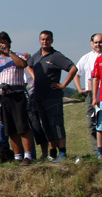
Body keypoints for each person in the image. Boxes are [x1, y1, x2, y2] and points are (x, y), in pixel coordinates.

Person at [0, 31, 35, 165]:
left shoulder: (17, 55)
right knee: (11, 128)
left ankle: (28, 155)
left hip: (17, 94)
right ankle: (17, 155)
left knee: (22, 126)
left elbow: (23, 64)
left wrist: (9, 52)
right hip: (4, 96)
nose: (1, 45)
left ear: (9, 43)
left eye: (3, 42)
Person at [27, 30, 77, 161]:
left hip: (53, 97)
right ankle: (52, 152)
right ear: (39, 40)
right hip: (39, 96)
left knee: (57, 124)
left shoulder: (56, 56)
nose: (45, 41)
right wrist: (34, 76)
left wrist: (63, 84)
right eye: (43, 39)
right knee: (46, 125)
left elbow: (73, 68)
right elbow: (28, 66)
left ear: (52, 41)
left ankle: (62, 153)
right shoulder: (36, 56)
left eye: (47, 39)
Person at [75, 34, 102, 151]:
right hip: (91, 93)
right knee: (91, 123)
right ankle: (96, 150)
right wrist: (79, 89)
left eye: (101, 42)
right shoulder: (86, 58)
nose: (98, 44)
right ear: (91, 43)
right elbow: (76, 74)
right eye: (96, 42)